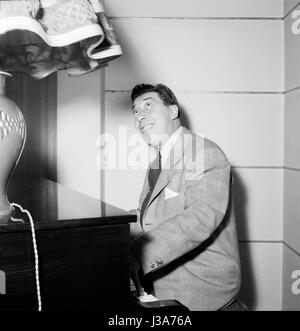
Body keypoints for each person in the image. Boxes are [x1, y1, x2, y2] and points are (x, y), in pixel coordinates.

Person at [129, 83, 241, 311]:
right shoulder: (155, 164)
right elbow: (148, 217)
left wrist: (138, 253)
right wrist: (109, 233)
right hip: (162, 287)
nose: (140, 116)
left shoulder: (205, 152)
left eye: (148, 106)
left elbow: (199, 219)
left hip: (202, 290)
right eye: (136, 111)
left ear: (172, 111)